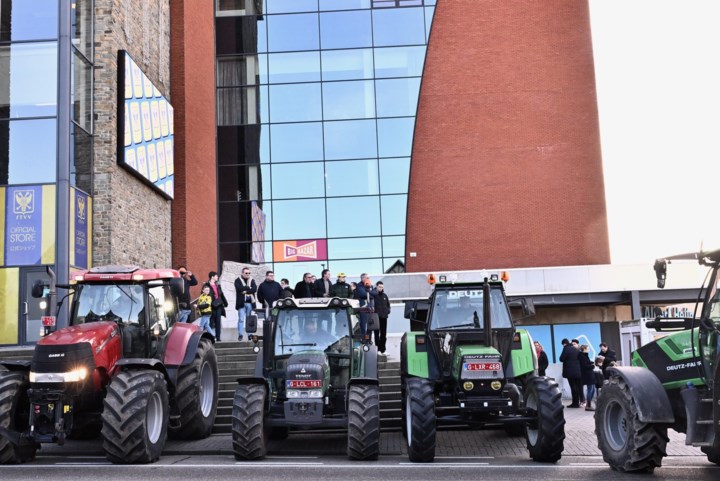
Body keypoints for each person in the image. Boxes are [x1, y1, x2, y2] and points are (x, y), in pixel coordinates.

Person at [234, 267, 258, 341]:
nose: (248, 274)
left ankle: (249, 335)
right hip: (241, 303)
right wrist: (248, 287)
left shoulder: (252, 280)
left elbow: (255, 289)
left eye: (249, 273)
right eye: (246, 273)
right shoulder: (237, 280)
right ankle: (240, 334)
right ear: (242, 273)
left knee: (249, 319)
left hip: (250, 303)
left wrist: (246, 291)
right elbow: (239, 288)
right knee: (241, 319)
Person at [354, 273, 379, 340]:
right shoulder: (359, 286)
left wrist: (369, 293)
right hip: (363, 309)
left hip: (370, 309)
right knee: (363, 326)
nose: (368, 279)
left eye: (369, 278)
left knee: (370, 326)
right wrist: (370, 294)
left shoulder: (370, 285)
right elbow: (363, 294)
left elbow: (375, 293)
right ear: (363, 278)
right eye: (367, 277)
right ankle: (363, 340)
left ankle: (368, 339)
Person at [559, 338, 582, 408]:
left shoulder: (566, 348)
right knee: (577, 387)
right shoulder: (575, 349)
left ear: (564, 344)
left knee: (573, 387)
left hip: (570, 371)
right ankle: (577, 402)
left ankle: (575, 403)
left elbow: (561, 359)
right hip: (578, 371)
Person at [371, 281, 391, 354]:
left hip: (384, 317)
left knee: (383, 334)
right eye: (379, 287)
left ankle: (383, 350)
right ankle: (378, 350)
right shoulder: (373, 295)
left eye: (382, 287)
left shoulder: (385, 295)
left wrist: (388, 311)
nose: (381, 288)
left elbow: (388, 305)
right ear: (376, 286)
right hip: (376, 317)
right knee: (376, 334)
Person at [208, 271, 227, 342]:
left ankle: (218, 337)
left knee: (218, 322)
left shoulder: (218, 285)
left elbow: (221, 295)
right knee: (210, 322)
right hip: (211, 306)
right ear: (212, 277)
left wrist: (225, 303)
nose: (217, 277)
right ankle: (210, 337)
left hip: (218, 306)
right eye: (216, 276)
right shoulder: (207, 285)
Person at [579, 344, 596, 411]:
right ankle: (588, 405)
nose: (589, 349)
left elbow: (587, 363)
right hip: (587, 375)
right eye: (587, 348)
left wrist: (591, 363)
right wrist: (592, 366)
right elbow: (584, 366)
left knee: (593, 389)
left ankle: (589, 404)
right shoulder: (582, 356)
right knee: (590, 390)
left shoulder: (585, 356)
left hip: (589, 374)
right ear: (584, 349)